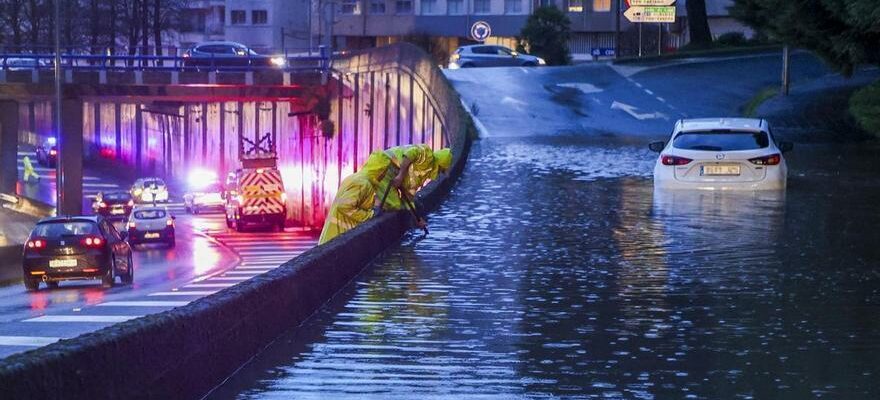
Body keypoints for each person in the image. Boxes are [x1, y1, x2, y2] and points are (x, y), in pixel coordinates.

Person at [318, 159, 385, 245]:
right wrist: (370, 215)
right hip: (339, 239)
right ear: (380, 172)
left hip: (334, 237)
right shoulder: (363, 184)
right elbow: (344, 206)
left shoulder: (356, 178)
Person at [369, 144, 452, 213]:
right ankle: (372, 213)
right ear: (439, 166)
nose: (439, 174)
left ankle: (374, 210)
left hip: (388, 169)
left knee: (394, 203)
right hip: (384, 164)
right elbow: (410, 154)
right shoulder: (427, 156)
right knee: (393, 204)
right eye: (442, 171)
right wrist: (400, 176)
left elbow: (409, 195)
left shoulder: (424, 173)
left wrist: (417, 218)